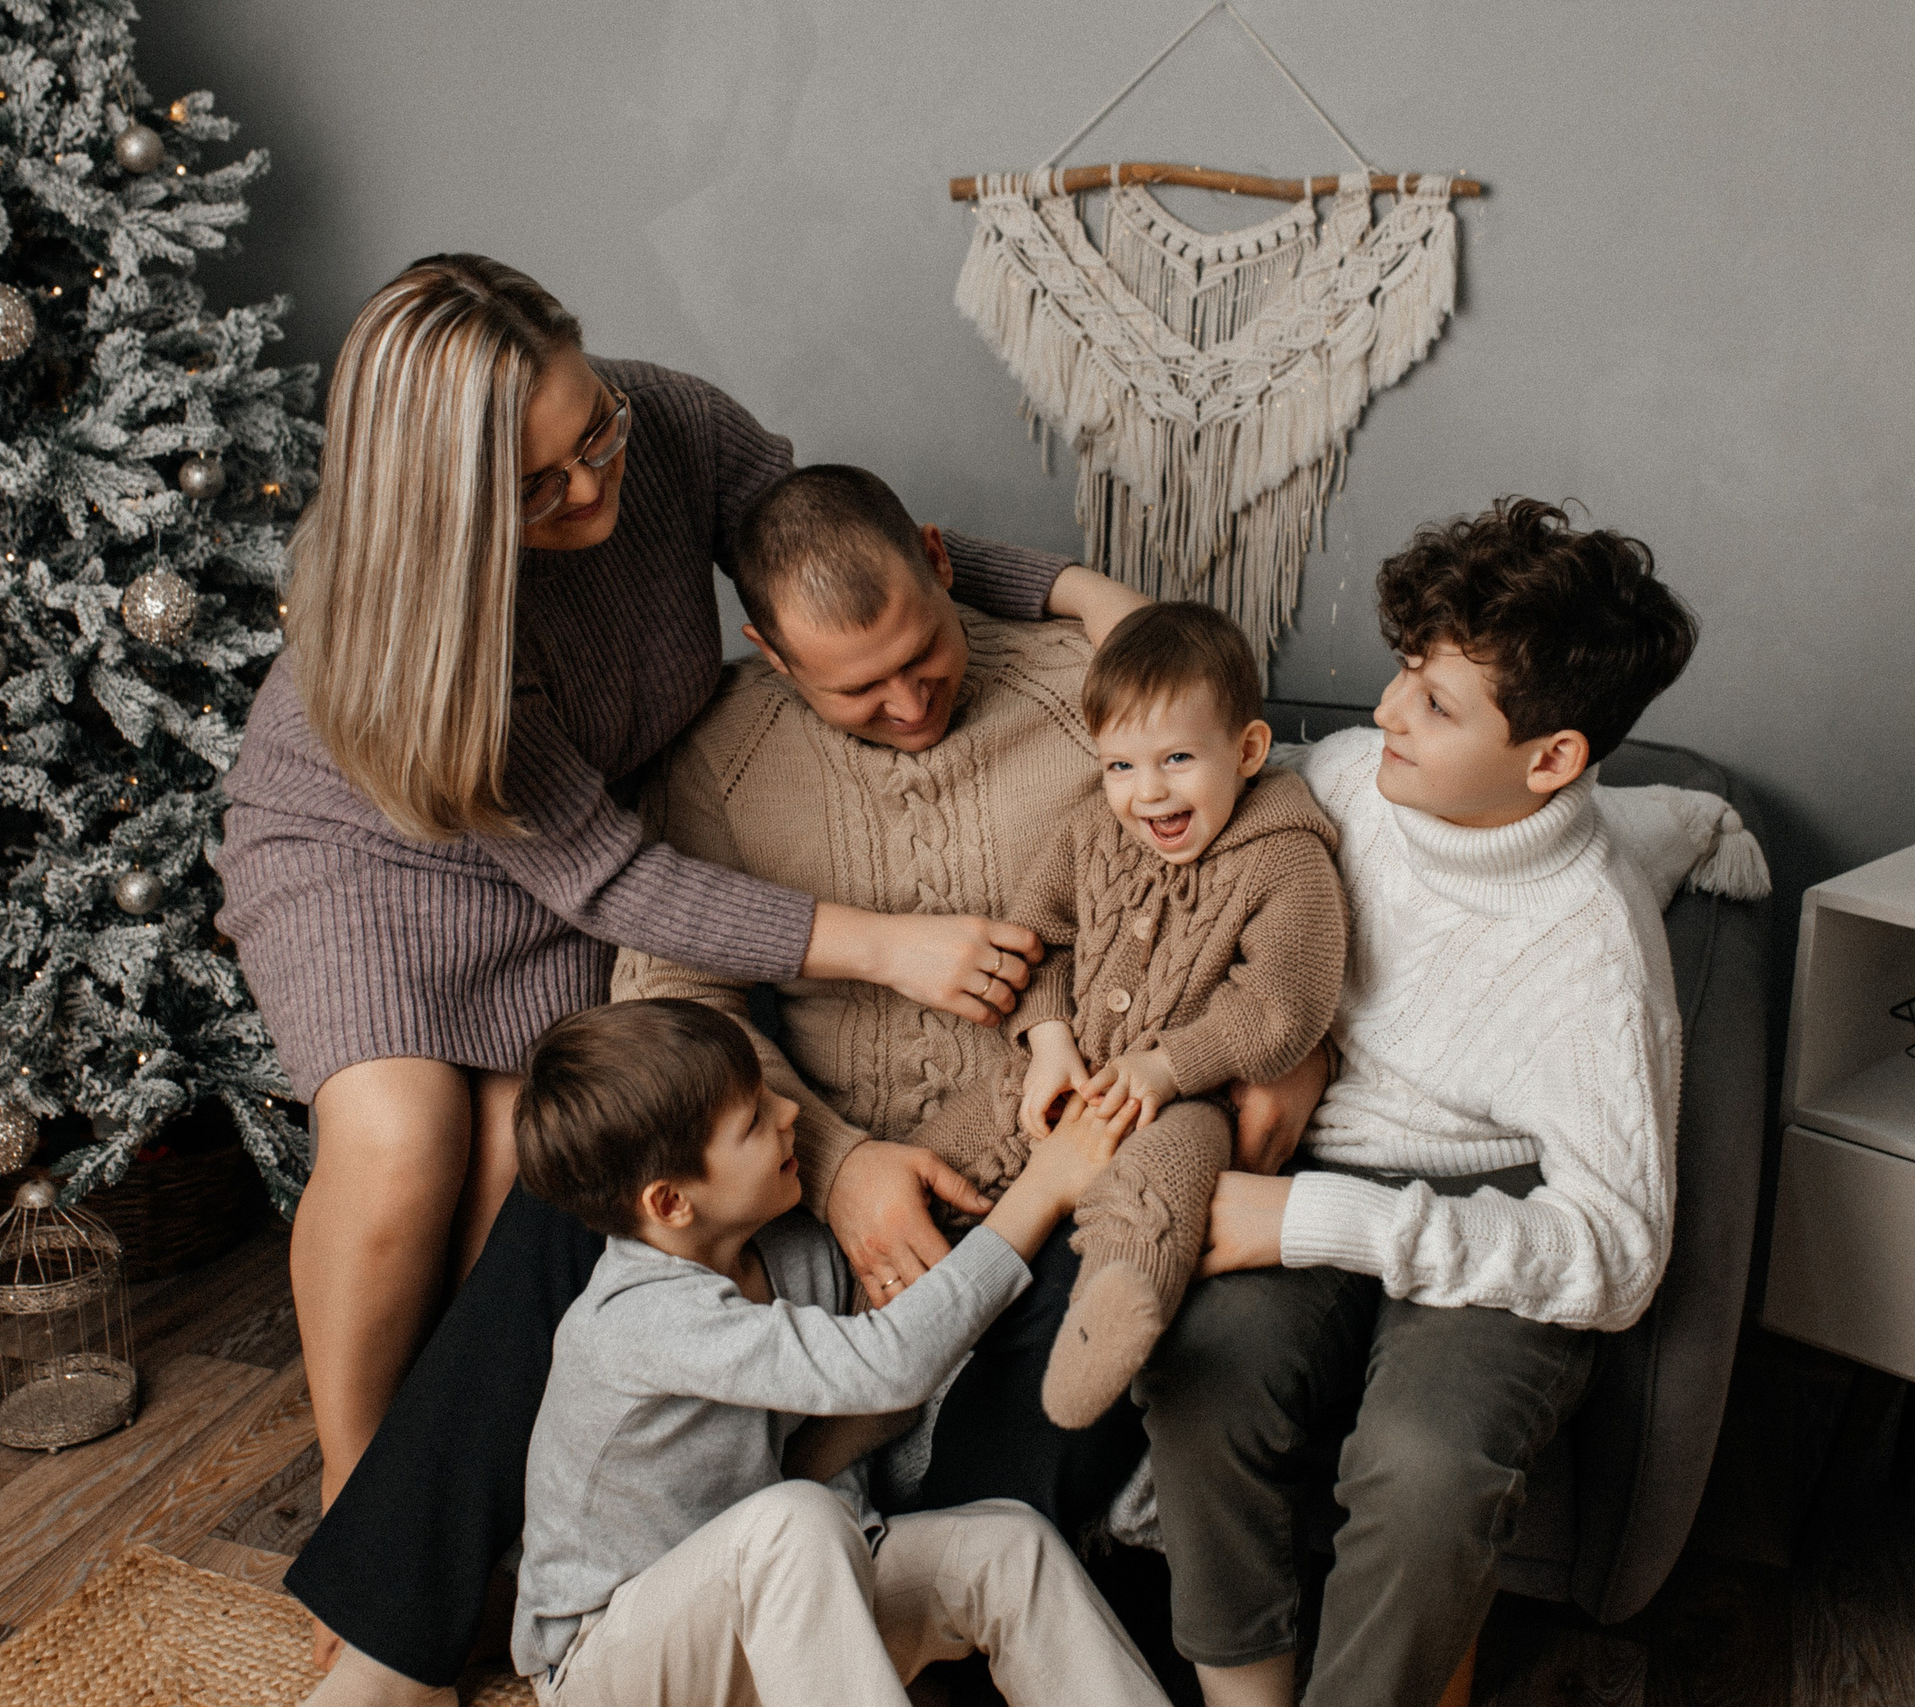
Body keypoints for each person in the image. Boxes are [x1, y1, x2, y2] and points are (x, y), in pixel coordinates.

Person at [281, 464, 1328, 1689]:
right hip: (799, 1157)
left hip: (1038, 1150)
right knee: (565, 1201)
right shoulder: (722, 759)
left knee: (1065, 1334)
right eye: (858, 688)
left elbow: (1247, 799)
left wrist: (1294, 1052)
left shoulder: (1075, 696)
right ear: (772, 658)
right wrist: (836, 1167)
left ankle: (920, 1642)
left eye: (923, 655)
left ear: (943, 568)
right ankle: (387, 1641)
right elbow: (676, 1000)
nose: (907, 700)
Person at [214, 255, 1147, 1528]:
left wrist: (1074, 590)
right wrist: (882, 947)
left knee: (519, 1158)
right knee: (402, 1141)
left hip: (584, 839)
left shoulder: (673, 426)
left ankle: (479, 1483)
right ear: (451, 505)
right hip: (374, 849)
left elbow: (834, 548)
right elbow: (609, 882)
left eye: (592, 427)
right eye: (537, 485)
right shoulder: (419, 617)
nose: (593, 482)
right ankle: (363, 1496)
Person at [1136, 497, 1700, 1707]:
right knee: (1199, 1378)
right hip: (1318, 1154)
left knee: (1427, 1464)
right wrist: (1288, 1049)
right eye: (1404, 673)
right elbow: (1218, 822)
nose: (1384, 710)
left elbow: (1617, 1250)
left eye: (1435, 705)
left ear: (1550, 761)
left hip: (1505, 1209)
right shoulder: (1343, 780)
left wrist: (1313, 1225)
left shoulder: (1600, 957)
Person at [308, 998, 1170, 1707]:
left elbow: (861, 1403)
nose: (793, 1114)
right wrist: (1047, 1186)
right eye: (756, 1119)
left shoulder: (793, 1253)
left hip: (776, 1612)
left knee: (1006, 1548)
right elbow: (887, 1362)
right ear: (671, 1201)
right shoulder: (635, 1317)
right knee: (792, 1523)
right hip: (615, 1660)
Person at [902, 601, 1345, 1427]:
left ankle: (1108, 1317)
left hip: (1186, 1102)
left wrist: (1169, 1066)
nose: (1148, 794)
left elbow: (1285, 1003)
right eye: (1121, 766)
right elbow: (1039, 942)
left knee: (1160, 1198)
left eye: (1177, 759)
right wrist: (1047, 1039)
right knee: (939, 1151)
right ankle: (883, 1319)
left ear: (1247, 750)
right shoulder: (1087, 834)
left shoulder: (1286, 855)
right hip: (1063, 1074)